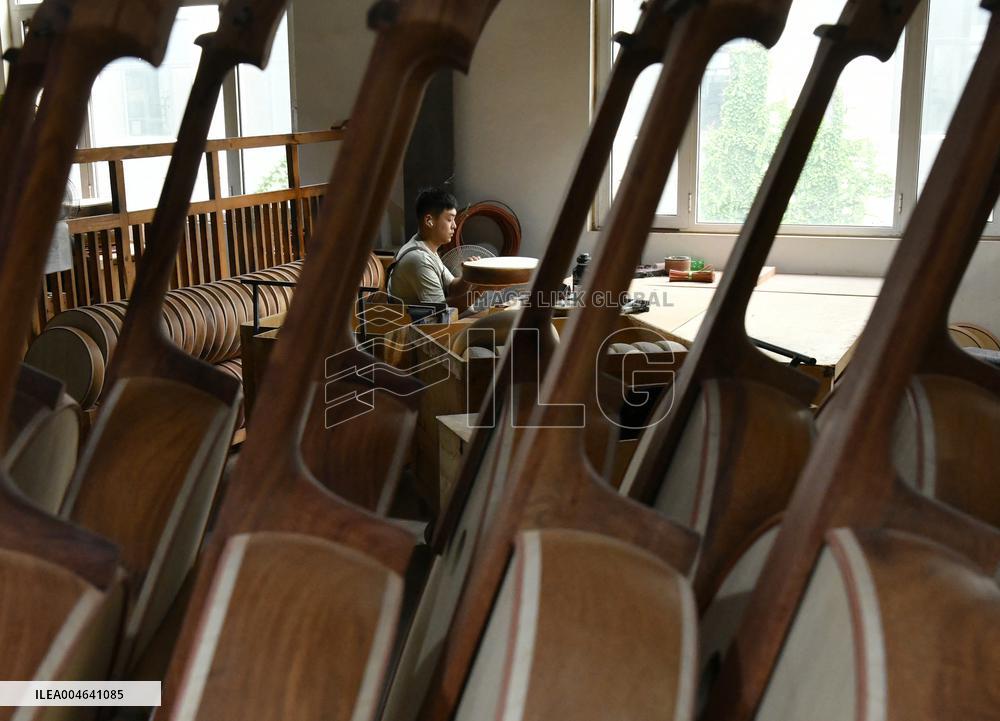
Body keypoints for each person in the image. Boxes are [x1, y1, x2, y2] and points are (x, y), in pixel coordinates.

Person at [387, 188, 477, 315]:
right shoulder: (419, 259)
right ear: (429, 221)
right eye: (449, 219)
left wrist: (469, 275)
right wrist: (480, 291)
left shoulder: (428, 250)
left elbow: (452, 288)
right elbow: (441, 310)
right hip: (422, 327)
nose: (454, 226)